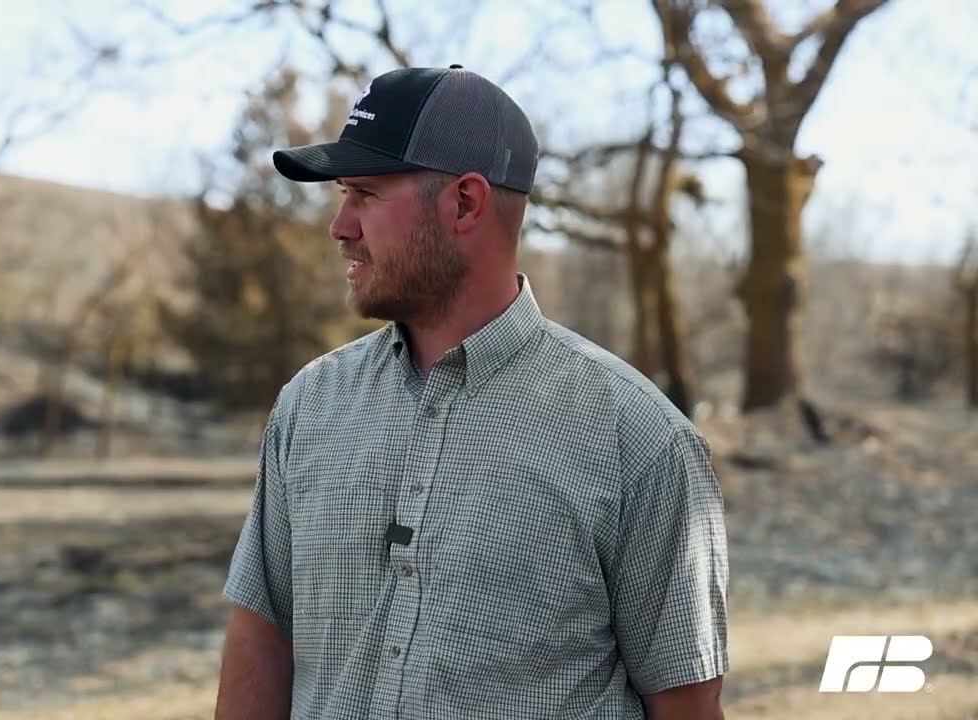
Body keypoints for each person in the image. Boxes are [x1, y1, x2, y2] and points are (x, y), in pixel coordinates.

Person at [214, 64, 729, 720]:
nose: (340, 226)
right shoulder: (310, 406)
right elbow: (261, 637)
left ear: (465, 202)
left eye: (365, 195)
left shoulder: (641, 443)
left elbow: (685, 706)